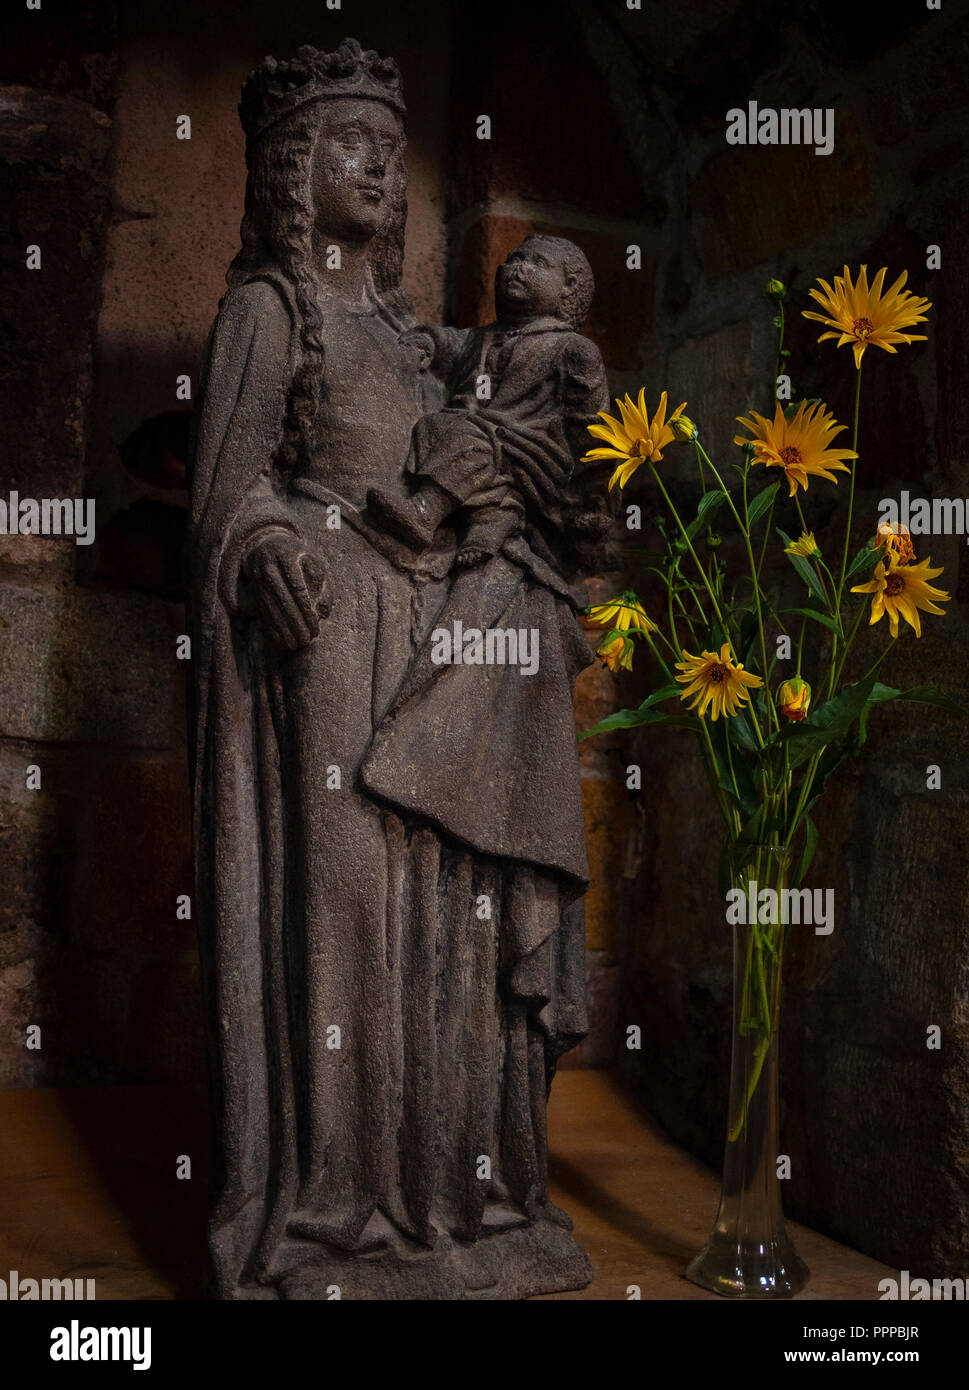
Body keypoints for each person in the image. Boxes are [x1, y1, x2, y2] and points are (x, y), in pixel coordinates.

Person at [187, 39, 595, 1300]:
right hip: (331, 653)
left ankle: (458, 1198)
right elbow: (225, 499)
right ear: (292, 170)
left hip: (443, 660)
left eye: (390, 147)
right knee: (351, 923)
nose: (380, 166)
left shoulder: (425, 344)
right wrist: (268, 548)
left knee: (456, 934)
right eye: (348, 143)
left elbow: (529, 439)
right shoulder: (267, 312)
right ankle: (335, 1210)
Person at [367, 235, 607, 569]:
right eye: (514, 259)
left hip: (533, 451)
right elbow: (448, 340)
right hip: (482, 436)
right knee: (433, 425)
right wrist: (425, 342)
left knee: (472, 438)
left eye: (538, 264)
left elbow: (592, 426)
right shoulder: (480, 338)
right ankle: (496, 515)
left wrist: (595, 496)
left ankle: (424, 513)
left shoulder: (572, 349)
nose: (518, 268)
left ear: (568, 288)